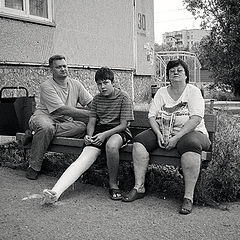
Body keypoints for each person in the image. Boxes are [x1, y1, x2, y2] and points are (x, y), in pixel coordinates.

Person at [122, 59, 211, 215]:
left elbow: (196, 118)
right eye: (171, 71)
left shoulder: (193, 91)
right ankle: (139, 187)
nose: (175, 72)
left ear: (186, 75)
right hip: (163, 132)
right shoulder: (162, 92)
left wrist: (176, 138)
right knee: (140, 143)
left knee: (190, 144)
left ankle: (188, 197)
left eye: (179, 70)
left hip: (192, 132)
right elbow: (151, 116)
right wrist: (158, 134)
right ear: (168, 75)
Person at [42, 67, 134, 204]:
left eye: (105, 83)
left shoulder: (124, 97)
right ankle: (55, 192)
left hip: (118, 131)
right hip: (100, 131)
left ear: (113, 83)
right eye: (99, 84)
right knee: (83, 159)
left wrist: (103, 135)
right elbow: (91, 122)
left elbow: (123, 125)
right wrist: (89, 136)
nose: (102, 87)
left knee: (111, 145)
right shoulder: (96, 99)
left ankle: (113, 184)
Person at [25, 55, 93, 180]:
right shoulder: (47, 85)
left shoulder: (76, 84)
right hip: (44, 117)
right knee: (46, 127)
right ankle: (34, 167)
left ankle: (37, 134)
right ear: (51, 70)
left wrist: (104, 107)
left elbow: (91, 102)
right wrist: (91, 114)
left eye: (64, 66)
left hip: (64, 123)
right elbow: (61, 109)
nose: (63, 69)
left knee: (82, 127)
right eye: (58, 67)